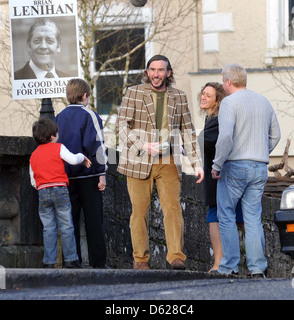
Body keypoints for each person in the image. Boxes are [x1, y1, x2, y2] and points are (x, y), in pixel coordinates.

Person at [116, 54, 204, 270]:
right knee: (139, 212)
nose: (156, 74)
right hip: (138, 160)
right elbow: (121, 126)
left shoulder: (179, 96)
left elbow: (188, 131)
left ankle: (176, 257)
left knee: (173, 209)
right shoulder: (134, 93)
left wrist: (196, 162)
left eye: (161, 70)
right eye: (152, 70)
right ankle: (141, 260)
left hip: (168, 160)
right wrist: (141, 145)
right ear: (147, 72)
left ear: (169, 73)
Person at [211, 64, 281, 277]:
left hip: (234, 165)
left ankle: (229, 266)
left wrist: (216, 164)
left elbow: (225, 137)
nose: (223, 85)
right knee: (252, 217)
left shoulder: (229, 103)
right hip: (259, 166)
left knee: (226, 215)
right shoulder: (264, 101)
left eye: (223, 81)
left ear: (228, 82)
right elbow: (276, 135)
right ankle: (257, 268)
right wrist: (261, 152)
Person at [56, 78, 108, 268]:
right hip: (88, 175)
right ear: (85, 96)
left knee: (71, 221)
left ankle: (72, 260)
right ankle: (99, 263)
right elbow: (97, 146)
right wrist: (102, 173)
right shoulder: (90, 115)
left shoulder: (59, 117)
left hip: (66, 176)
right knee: (94, 220)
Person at [29, 117, 91, 269]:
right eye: (57, 133)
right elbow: (72, 159)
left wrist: (42, 186)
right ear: (52, 136)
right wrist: (82, 157)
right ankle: (70, 259)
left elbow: (32, 179)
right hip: (60, 190)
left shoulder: (34, 155)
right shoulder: (58, 147)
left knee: (48, 228)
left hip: (43, 192)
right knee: (66, 226)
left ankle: (49, 262)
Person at [198, 82, 244, 273]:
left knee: (232, 218)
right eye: (202, 94)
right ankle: (220, 263)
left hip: (222, 175)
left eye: (208, 95)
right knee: (221, 217)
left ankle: (221, 263)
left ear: (217, 101)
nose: (203, 97)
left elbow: (203, 141)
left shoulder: (218, 120)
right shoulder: (210, 119)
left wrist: (176, 146)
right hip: (216, 176)